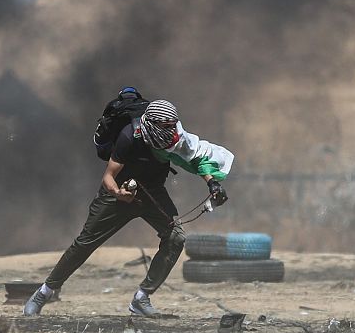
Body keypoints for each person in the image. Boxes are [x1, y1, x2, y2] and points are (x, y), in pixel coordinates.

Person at [24, 98, 234, 317]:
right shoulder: (129, 137)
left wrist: (213, 184)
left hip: (152, 193)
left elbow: (196, 157)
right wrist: (118, 194)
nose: (172, 131)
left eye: (173, 125)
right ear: (153, 125)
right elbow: (108, 176)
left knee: (176, 238)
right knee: (85, 243)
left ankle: (142, 298)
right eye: (167, 126)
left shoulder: (175, 137)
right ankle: (44, 293)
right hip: (118, 193)